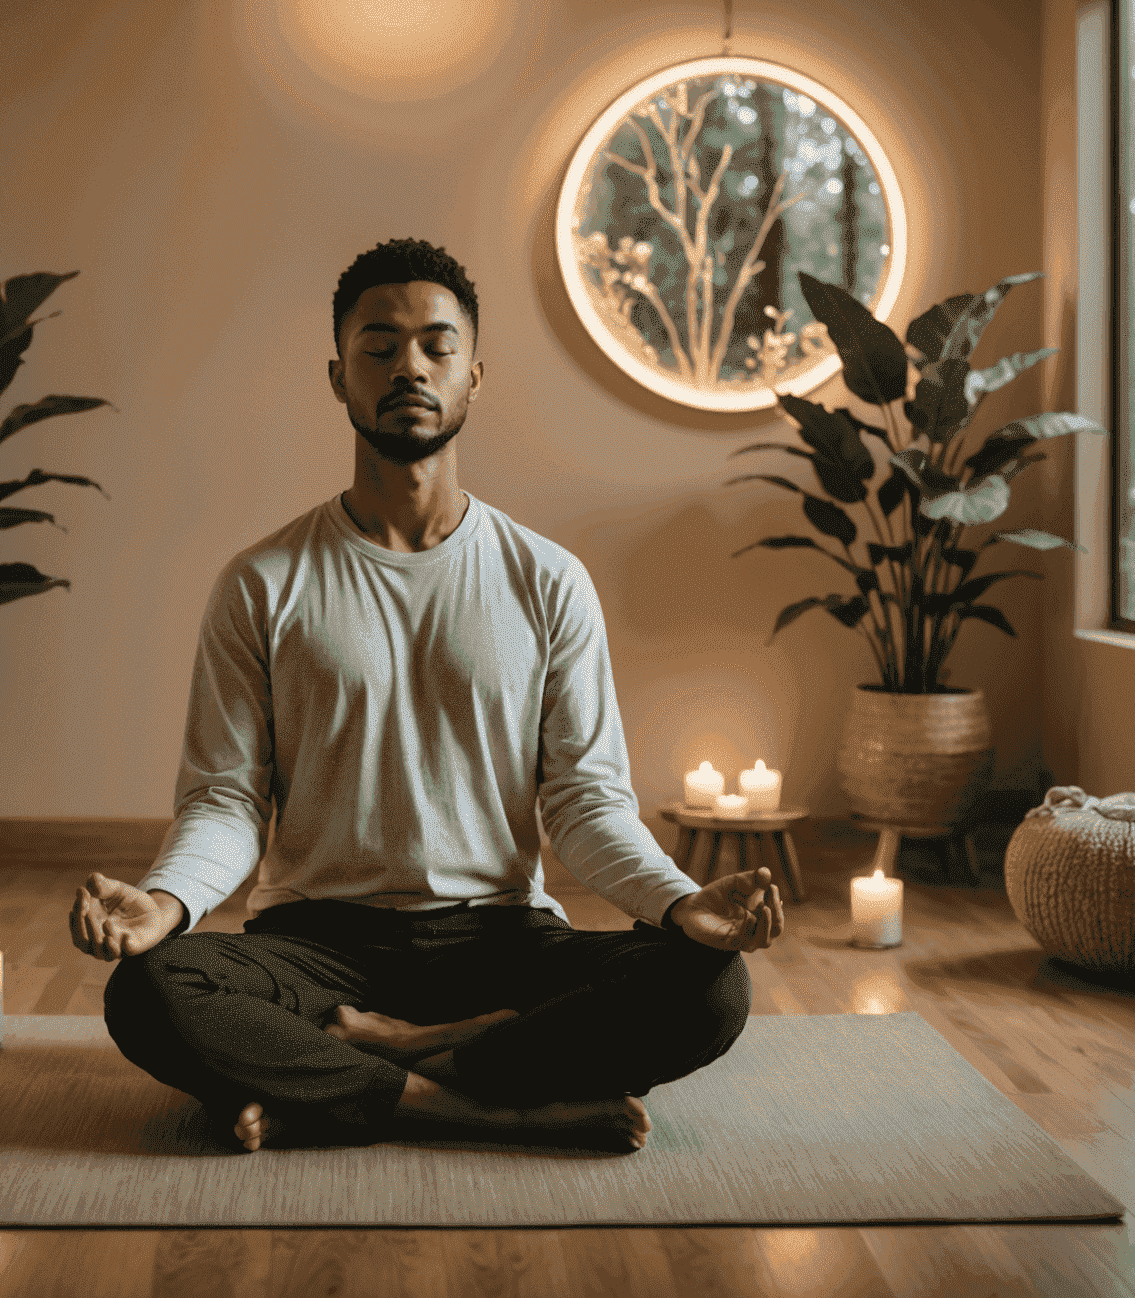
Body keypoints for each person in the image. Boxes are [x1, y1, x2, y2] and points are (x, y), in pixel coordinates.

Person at [71, 237, 784, 1154]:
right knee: (149, 989)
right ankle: (474, 1100)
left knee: (711, 986)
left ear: (474, 375)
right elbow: (228, 801)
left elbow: (582, 802)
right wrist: (165, 903)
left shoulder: (546, 581)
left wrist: (683, 905)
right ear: (338, 378)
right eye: (379, 347)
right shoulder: (262, 582)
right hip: (314, 944)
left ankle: (367, 1071)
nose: (409, 365)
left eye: (436, 346)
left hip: (501, 942)